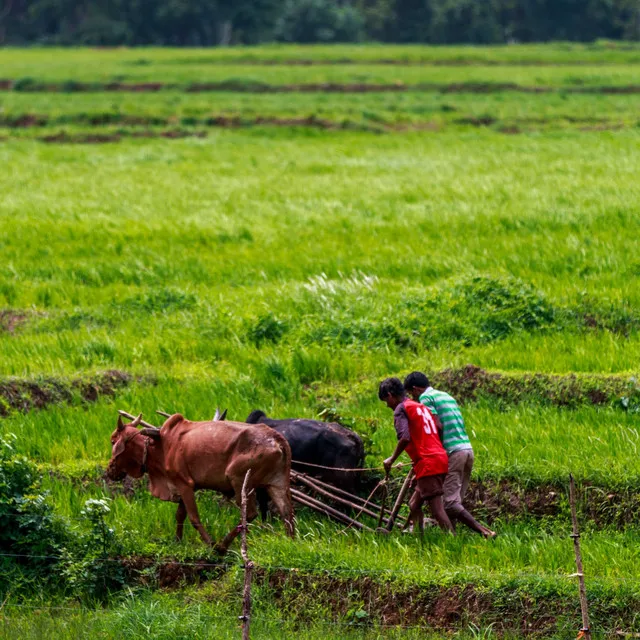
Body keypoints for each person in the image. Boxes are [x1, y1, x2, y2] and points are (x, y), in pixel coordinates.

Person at [403, 371, 496, 539]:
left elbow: (437, 426)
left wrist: (430, 450)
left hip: (452, 452)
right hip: (467, 450)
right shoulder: (446, 395)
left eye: (411, 394)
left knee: (450, 504)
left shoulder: (425, 398)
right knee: (452, 502)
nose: (414, 399)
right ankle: (452, 540)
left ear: (416, 389)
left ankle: (485, 532)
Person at [379, 377, 454, 534]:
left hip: (428, 463)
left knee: (437, 510)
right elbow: (439, 426)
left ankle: (453, 539)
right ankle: (420, 539)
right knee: (414, 504)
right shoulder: (419, 405)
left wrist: (391, 459)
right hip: (438, 458)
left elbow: (405, 437)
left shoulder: (401, 409)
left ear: (390, 395)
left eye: (386, 401)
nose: (388, 405)